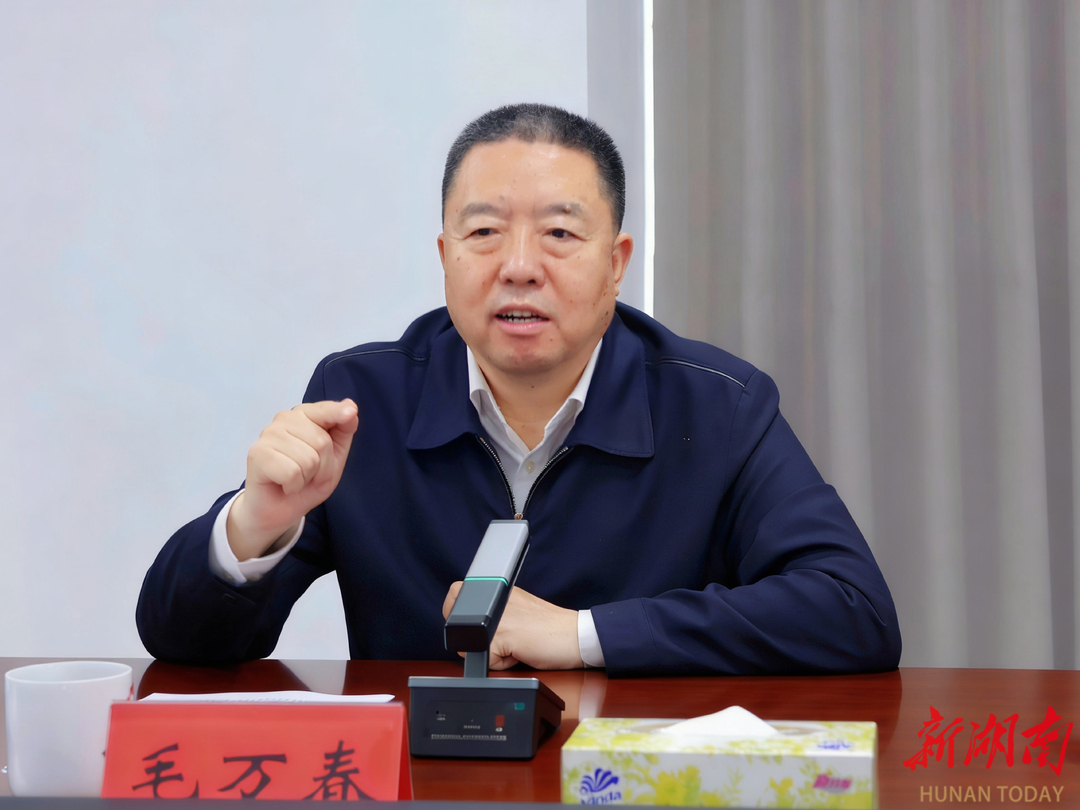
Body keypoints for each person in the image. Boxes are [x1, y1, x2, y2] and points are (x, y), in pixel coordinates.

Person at [137, 103, 901, 676]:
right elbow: (182, 644)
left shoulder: (716, 405)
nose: (520, 266)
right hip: (429, 781)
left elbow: (852, 610)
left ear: (616, 262)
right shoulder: (362, 400)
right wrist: (256, 524)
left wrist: (583, 635)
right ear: (446, 255)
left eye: (560, 234)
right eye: (484, 233)